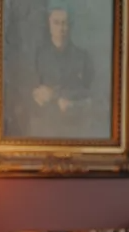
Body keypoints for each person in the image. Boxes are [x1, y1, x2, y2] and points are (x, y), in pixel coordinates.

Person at [27, 1, 96, 138]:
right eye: (56, 23)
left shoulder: (82, 57)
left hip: (75, 127)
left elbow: (90, 93)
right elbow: (31, 92)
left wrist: (56, 94)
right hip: (44, 127)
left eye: (65, 23)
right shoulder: (38, 56)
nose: (61, 28)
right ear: (49, 25)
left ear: (70, 25)